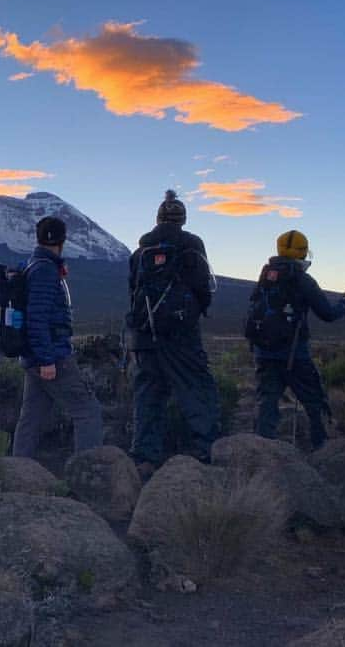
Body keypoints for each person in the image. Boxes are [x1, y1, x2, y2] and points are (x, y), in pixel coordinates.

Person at [127, 190, 220, 476]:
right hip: (181, 334)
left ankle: (144, 457)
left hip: (145, 334)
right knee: (196, 387)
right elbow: (204, 288)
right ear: (183, 219)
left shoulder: (139, 253)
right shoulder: (191, 246)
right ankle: (207, 452)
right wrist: (192, 313)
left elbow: (133, 292)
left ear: (157, 219)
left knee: (149, 394)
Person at [250, 230, 345, 449]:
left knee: (267, 402)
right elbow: (327, 313)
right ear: (303, 252)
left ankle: (260, 452)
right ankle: (322, 449)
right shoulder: (302, 279)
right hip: (294, 354)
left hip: (264, 353)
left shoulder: (266, 276)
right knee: (314, 400)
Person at [12, 217, 104, 458]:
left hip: (34, 356)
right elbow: (38, 316)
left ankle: (16, 471)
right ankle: (89, 473)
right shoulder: (45, 270)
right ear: (62, 240)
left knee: (31, 417)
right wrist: (47, 359)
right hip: (52, 356)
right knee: (87, 410)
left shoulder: (34, 264)